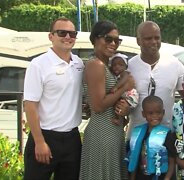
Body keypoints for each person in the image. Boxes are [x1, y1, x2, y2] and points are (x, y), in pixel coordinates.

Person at [127, 21, 184, 140]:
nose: (154, 42)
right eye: (148, 38)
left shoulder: (174, 64)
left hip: (166, 138)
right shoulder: (130, 66)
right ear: (138, 41)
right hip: (135, 138)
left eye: (157, 38)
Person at [23, 17, 84, 179]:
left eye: (72, 33)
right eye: (62, 33)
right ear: (51, 36)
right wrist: (39, 142)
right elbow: (30, 105)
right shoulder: (38, 65)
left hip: (72, 139)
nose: (68, 37)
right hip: (45, 137)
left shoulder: (79, 64)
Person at [79, 20, 135, 179]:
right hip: (101, 133)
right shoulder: (95, 65)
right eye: (108, 39)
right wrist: (125, 87)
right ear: (95, 39)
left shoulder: (107, 65)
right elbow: (98, 106)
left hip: (112, 132)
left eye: (117, 40)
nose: (113, 43)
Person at [126, 95, 176, 180]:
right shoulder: (138, 134)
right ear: (143, 114)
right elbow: (135, 159)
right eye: (150, 113)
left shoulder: (167, 135)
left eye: (158, 112)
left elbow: (172, 161)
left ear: (163, 112)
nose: (155, 116)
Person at [109, 53, 139, 126]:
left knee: (120, 104)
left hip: (130, 95)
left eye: (120, 65)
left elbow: (123, 80)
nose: (117, 67)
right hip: (125, 94)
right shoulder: (115, 75)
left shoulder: (125, 73)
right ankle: (124, 120)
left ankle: (120, 120)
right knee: (118, 105)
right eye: (114, 65)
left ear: (125, 67)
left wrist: (116, 87)